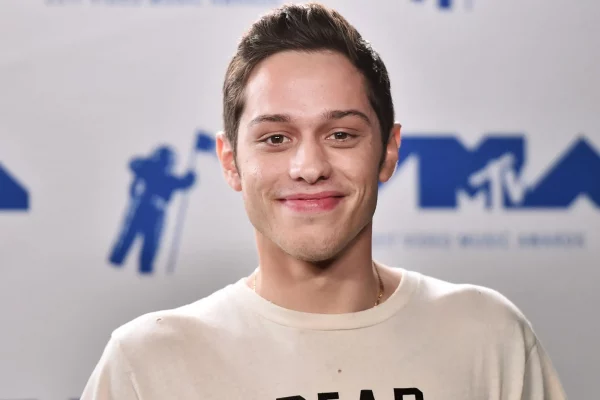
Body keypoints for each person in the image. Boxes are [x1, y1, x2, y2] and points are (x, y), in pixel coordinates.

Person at [81, 3, 567, 399]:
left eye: (340, 134)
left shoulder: (487, 334)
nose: (309, 166)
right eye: (275, 138)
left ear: (389, 151)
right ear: (230, 161)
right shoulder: (147, 363)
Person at [108, 146, 195, 274]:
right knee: (128, 238)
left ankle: (145, 269)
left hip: (156, 213)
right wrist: (189, 178)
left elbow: (184, 183)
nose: (164, 165)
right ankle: (115, 264)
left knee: (150, 243)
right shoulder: (147, 170)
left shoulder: (168, 179)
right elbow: (133, 164)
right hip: (141, 209)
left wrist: (191, 177)